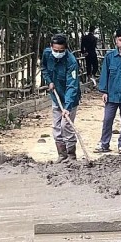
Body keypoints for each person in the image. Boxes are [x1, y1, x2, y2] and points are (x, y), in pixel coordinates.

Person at [40, 34, 81, 162]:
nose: (58, 53)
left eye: (61, 51)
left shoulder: (71, 62)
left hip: (70, 99)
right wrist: (49, 81)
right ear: (51, 47)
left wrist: (67, 107)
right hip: (56, 96)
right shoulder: (47, 54)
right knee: (57, 127)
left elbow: (72, 85)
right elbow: (44, 68)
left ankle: (71, 156)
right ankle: (62, 155)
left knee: (66, 126)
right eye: (55, 50)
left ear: (66, 49)